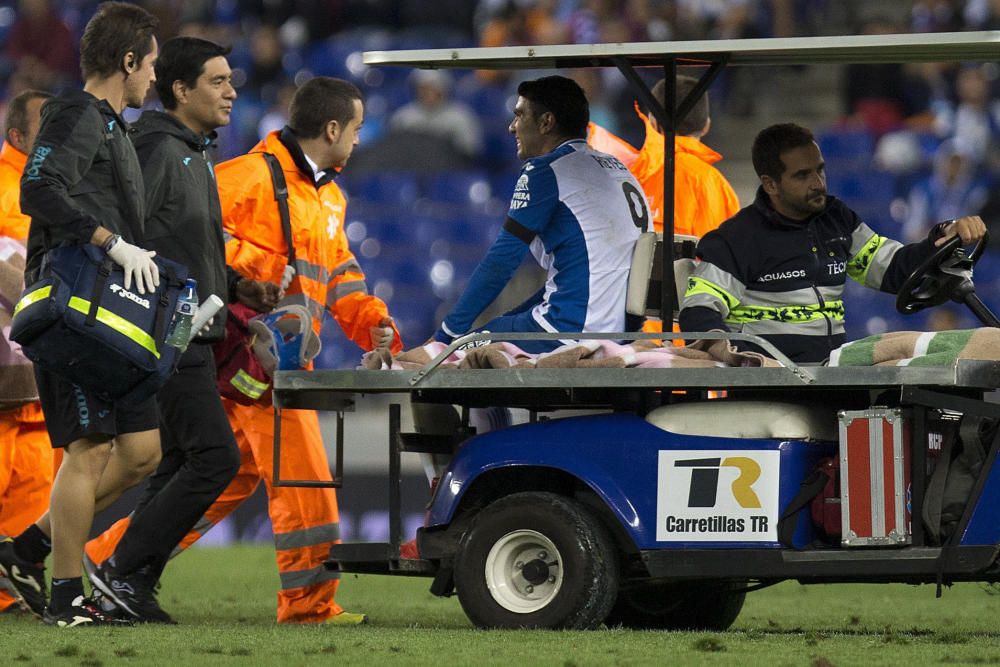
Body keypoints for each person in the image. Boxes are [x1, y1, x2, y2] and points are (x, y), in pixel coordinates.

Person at [86, 76, 401, 625]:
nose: (357, 138)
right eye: (355, 127)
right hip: (245, 360)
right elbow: (186, 241)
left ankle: (105, 559)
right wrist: (252, 282)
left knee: (227, 479)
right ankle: (308, 606)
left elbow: (342, 275)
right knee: (306, 483)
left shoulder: (327, 195)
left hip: (267, 365)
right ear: (332, 129)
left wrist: (372, 321)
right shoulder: (244, 177)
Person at [82, 36, 259, 625]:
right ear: (180, 90)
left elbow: (179, 242)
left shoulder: (193, 148)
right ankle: (116, 572)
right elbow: (123, 236)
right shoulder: (159, 148)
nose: (231, 91)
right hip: (167, 330)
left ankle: (132, 582)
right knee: (214, 456)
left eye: (231, 79)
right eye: (217, 81)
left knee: (181, 458)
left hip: (194, 329)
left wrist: (235, 285)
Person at [0, 2, 161, 627]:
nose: (151, 76)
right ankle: (68, 598)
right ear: (127, 62)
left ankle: (28, 548)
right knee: (90, 448)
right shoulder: (75, 113)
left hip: (115, 309)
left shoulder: (114, 127)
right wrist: (106, 241)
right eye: (148, 63)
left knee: (143, 452)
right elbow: (37, 190)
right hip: (74, 309)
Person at [679, 122, 987, 364]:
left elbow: (892, 269)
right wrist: (734, 355)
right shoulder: (736, 240)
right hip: (775, 376)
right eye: (802, 175)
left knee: (930, 362)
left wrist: (941, 238)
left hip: (831, 368)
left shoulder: (836, 218)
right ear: (770, 184)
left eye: (820, 170)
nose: (818, 183)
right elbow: (699, 309)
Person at [433, 75, 649, 354]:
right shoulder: (616, 168)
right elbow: (575, 275)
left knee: (454, 354)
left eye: (520, 115)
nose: (512, 127)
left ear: (546, 122)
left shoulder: (547, 170)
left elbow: (501, 261)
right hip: (618, 332)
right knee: (493, 330)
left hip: (569, 331)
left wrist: (447, 333)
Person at [0, 89, 53, 616]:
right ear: (19, 137)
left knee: (33, 485)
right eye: (47, 126)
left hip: (34, 373)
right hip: (4, 372)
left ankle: (8, 594)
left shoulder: (50, 190)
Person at [388, 69, 483, 162]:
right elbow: (393, 149)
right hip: (411, 168)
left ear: (443, 88)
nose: (428, 93)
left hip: (449, 169)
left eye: (433, 87)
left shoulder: (460, 116)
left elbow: (471, 151)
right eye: (423, 88)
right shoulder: (404, 116)